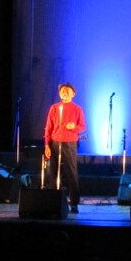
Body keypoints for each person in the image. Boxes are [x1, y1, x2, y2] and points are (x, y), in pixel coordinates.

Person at [44, 82, 86, 213]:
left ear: (73, 94)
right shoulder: (54, 108)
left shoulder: (77, 109)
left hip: (69, 143)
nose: (64, 93)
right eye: (62, 91)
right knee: (53, 173)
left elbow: (82, 127)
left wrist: (74, 127)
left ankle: (74, 203)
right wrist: (47, 145)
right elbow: (49, 127)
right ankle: (53, 201)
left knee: (71, 172)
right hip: (55, 142)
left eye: (67, 91)